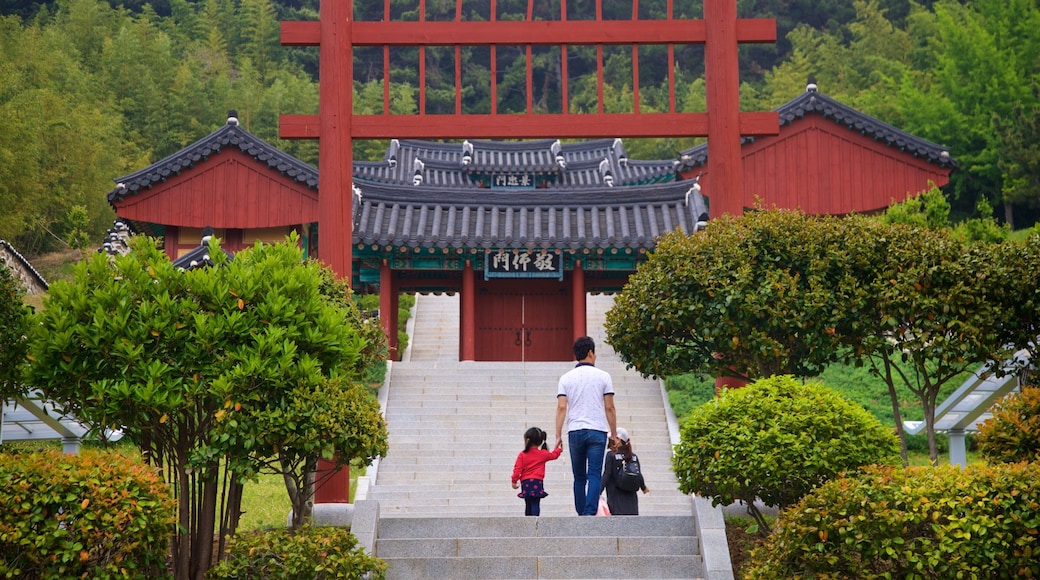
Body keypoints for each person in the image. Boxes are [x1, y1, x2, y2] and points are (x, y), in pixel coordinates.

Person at [555, 336, 617, 516]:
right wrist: (613, 435)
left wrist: (558, 435)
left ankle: (581, 513)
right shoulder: (604, 376)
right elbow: (609, 407)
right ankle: (590, 512)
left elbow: (561, 407)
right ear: (590, 352)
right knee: (594, 474)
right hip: (597, 430)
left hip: (575, 430)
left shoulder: (565, 378)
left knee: (579, 477)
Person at [511, 427, 563, 516]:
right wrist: (559, 449)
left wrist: (514, 481)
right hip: (537, 481)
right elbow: (553, 455)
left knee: (528, 503)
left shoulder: (522, 455)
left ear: (527, 440)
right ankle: (536, 519)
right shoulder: (542, 454)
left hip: (525, 482)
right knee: (535, 502)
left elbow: (517, 469)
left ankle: (528, 520)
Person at [601, 427, 649, 515]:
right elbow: (639, 475)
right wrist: (644, 488)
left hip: (616, 499)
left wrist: (598, 491)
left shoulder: (611, 455)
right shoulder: (633, 456)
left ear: (618, 440)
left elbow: (606, 475)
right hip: (631, 502)